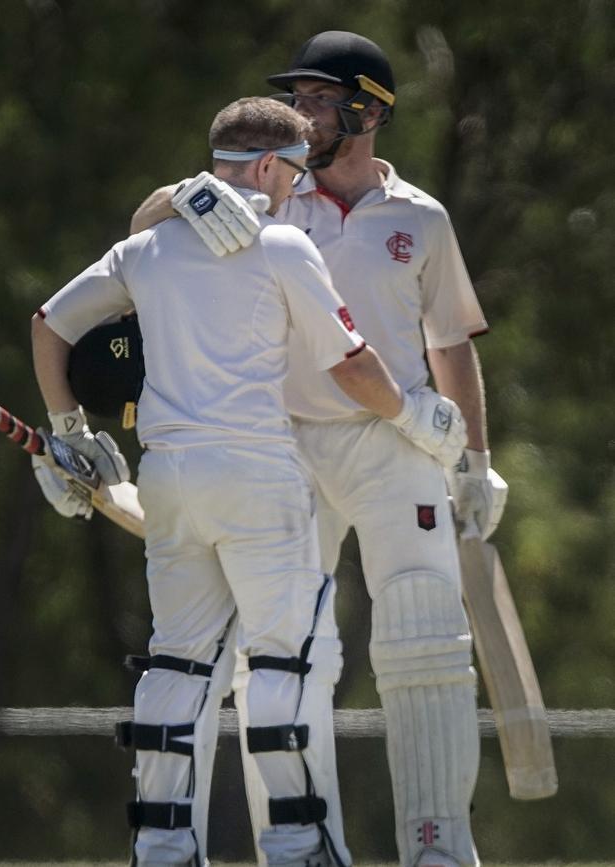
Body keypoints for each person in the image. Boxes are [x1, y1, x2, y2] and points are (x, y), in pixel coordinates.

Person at [31, 95, 467, 867]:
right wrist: (413, 416)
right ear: (269, 165)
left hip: (168, 477)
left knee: (178, 659)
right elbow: (355, 365)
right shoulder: (281, 245)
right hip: (260, 473)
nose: (296, 188)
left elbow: (48, 324)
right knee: (284, 656)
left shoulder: (149, 248)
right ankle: (299, 844)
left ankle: (163, 846)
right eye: (293, 172)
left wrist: (69, 432)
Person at [130, 31, 509, 867]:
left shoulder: (420, 217)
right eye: (295, 100)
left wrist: (475, 459)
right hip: (283, 446)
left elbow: (451, 344)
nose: (300, 116)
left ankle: (438, 847)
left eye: (317, 101)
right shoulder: (264, 200)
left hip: (393, 438)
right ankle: (299, 846)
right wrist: (184, 194)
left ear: (368, 110)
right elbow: (144, 235)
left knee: (423, 637)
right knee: (286, 652)